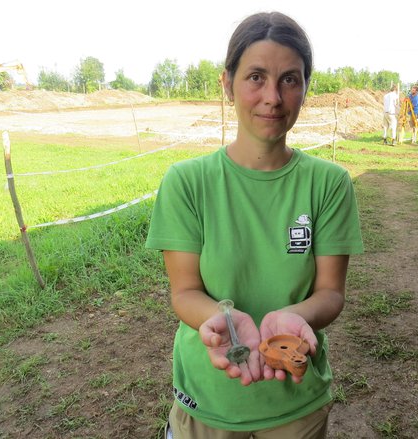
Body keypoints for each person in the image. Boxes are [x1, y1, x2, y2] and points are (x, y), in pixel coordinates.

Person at [145, 11, 364, 439]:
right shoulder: (188, 182)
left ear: (304, 88)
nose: (273, 97)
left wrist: (294, 316)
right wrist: (224, 321)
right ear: (227, 83)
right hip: (208, 399)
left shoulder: (329, 183)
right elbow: (185, 291)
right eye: (256, 77)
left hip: (295, 401)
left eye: (290, 79)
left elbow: (330, 293)